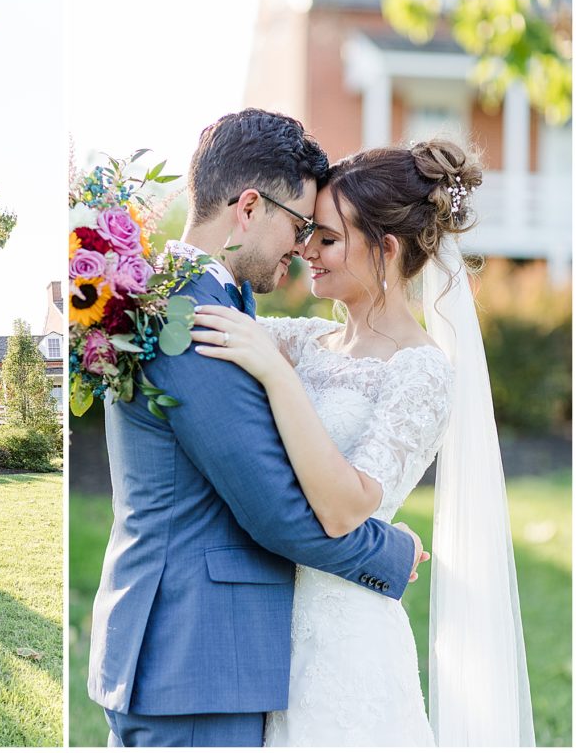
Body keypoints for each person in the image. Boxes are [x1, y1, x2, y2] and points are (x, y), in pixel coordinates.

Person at [87, 109, 426, 748]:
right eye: (299, 225)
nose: (303, 248)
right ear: (249, 208)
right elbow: (277, 512)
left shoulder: (190, 304)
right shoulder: (189, 322)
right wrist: (394, 553)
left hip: (204, 660)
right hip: (190, 659)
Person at [191, 139, 533, 746]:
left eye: (326, 238)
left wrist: (276, 377)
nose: (305, 251)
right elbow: (201, 305)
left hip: (347, 641)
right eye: (307, 234)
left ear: (387, 248)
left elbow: (349, 508)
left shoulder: (420, 370)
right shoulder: (303, 341)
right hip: (269, 630)